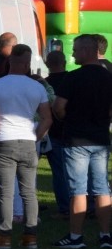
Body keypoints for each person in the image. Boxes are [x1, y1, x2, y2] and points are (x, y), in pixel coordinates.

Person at [0, 44, 52, 249]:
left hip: (4, 140)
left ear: (10, 60)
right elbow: (47, 118)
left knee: (6, 193)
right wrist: (36, 137)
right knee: (29, 192)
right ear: (28, 63)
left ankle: (4, 236)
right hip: (28, 141)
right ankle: (30, 236)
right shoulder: (37, 87)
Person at [52, 34, 112, 249]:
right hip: (100, 138)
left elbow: (59, 106)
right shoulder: (108, 77)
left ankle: (76, 237)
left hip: (76, 139)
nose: (73, 54)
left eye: (76, 50)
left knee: (78, 190)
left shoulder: (73, 77)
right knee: (102, 189)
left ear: (87, 51)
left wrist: (64, 117)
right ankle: (106, 235)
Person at [44, 51, 70, 219]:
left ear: (47, 64)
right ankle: (89, 205)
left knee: (59, 173)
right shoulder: (73, 80)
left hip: (53, 132)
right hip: (73, 131)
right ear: (65, 62)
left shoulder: (44, 84)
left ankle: (64, 207)